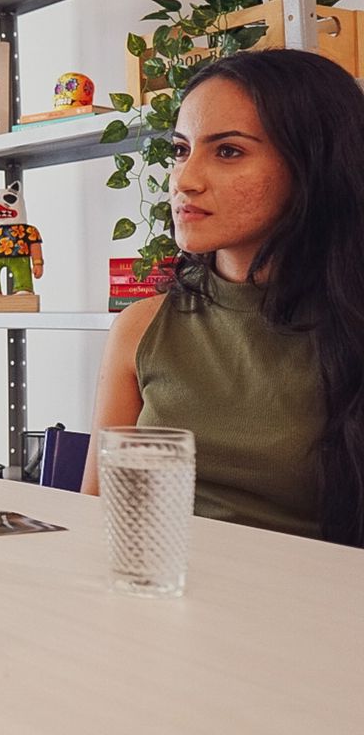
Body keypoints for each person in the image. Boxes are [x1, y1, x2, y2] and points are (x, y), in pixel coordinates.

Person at [84, 48, 364, 547]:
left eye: (229, 151)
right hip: (156, 586)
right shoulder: (141, 326)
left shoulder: (351, 324)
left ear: (313, 165)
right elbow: (97, 516)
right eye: (180, 150)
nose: (185, 180)